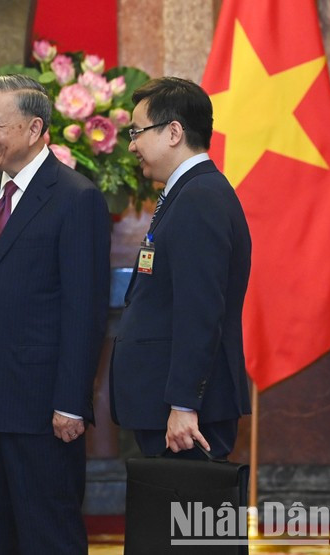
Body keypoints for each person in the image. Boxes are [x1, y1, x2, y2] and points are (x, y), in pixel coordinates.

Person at [0, 74, 111, 554]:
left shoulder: (76, 198)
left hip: (42, 408)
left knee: (46, 535)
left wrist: (71, 401)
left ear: (35, 128)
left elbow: (86, 309)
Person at [110, 77, 252, 459]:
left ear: (174, 132)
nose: (132, 145)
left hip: (186, 416)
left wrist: (185, 403)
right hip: (170, 406)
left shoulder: (199, 197)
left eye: (137, 131)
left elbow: (201, 309)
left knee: (186, 517)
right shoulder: (189, 191)